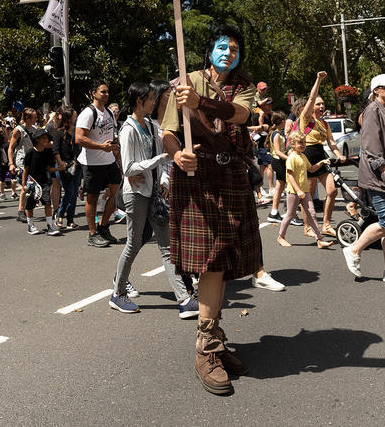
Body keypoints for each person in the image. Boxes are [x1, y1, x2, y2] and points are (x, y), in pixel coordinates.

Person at [160, 24, 258, 395]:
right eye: (222, 46)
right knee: (212, 261)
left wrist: (199, 102)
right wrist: (177, 154)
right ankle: (206, 348)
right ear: (210, 50)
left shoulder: (243, 84)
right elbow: (168, 130)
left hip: (230, 174)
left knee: (227, 261)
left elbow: (240, 115)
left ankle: (214, 337)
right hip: (196, 177)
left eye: (234, 47)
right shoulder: (185, 81)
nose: (229, 52)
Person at [110, 82, 197, 318]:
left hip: (152, 193)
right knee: (134, 243)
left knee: (167, 246)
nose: (154, 102)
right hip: (135, 193)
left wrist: (164, 175)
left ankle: (184, 299)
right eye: (150, 98)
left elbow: (165, 155)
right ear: (139, 101)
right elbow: (128, 168)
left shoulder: (149, 124)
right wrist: (159, 160)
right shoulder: (128, 129)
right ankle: (117, 294)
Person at [343, 73, 385, 280]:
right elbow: (371, 148)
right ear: (377, 90)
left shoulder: (384, 110)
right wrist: (384, 170)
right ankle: (354, 250)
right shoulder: (372, 111)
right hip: (378, 177)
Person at [296, 71, 345, 236]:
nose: (321, 107)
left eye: (323, 104)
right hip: (308, 155)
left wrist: (339, 154)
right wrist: (318, 79)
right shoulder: (306, 119)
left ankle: (326, 224)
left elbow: (331, 142)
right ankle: (307, 227)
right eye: (318, 104)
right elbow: (311, 98)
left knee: (332, 191)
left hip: (321, 155)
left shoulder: (325, 123)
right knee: (308, 196)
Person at [76, 81, 122, 248]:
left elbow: (110, 134)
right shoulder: (88, 113)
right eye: (103, 92)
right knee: (92, 198)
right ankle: (92, 233)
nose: (106, 94)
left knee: (118, 193)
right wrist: (101, 146)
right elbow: (79, 138)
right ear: (93, 93)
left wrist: (114, 148)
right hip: (92, 163)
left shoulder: (109, 112)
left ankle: (103, 226)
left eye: (107, 92)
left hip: (109, 160)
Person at [277, 131, 335, 248]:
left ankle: (319, 240)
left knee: (312, 213)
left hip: (305, 190)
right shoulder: (291, 158)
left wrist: (321, 162)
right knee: (290, 214)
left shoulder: (303, 156)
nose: (303, 145)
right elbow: (290, 176)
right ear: (293, 144)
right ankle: (281, 237)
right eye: (300, 143)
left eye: (304, 142)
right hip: (294, 191)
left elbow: (312, 169)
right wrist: (298, 190)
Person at [21, 127, 63, 236]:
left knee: (47, 202)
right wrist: (23, 185)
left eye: (47, 138)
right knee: (30, 204)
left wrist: (59, 168)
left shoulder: (47, 152)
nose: (46, 140)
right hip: (32, 182)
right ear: (37, 140)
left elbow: (48, 168)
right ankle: (31, 225)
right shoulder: (30, 152)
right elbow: (25, 169)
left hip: (44, 182)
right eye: (43, 138)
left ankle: (50, 226)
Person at [9, 108, 38, 222]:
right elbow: (11, 147)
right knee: (26, 186)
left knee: (33, 187)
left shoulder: (35, 129)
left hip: (33, 161)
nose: (36, 119)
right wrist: (11, 164)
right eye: (34, 117)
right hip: (22, 161)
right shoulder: (18, 130)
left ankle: (26, 209)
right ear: (27, 118)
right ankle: (21, 211)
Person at [55, 107, 81, 229]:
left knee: (74, 193)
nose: (77, 118)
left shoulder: (77, 132)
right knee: (69, 191)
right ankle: (60, 215)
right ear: (70, 119)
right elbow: (55, 151)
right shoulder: (59, 133)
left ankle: (70, 220)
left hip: (76, 166)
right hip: (63, 166)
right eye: (75, 116)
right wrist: (61, 165)